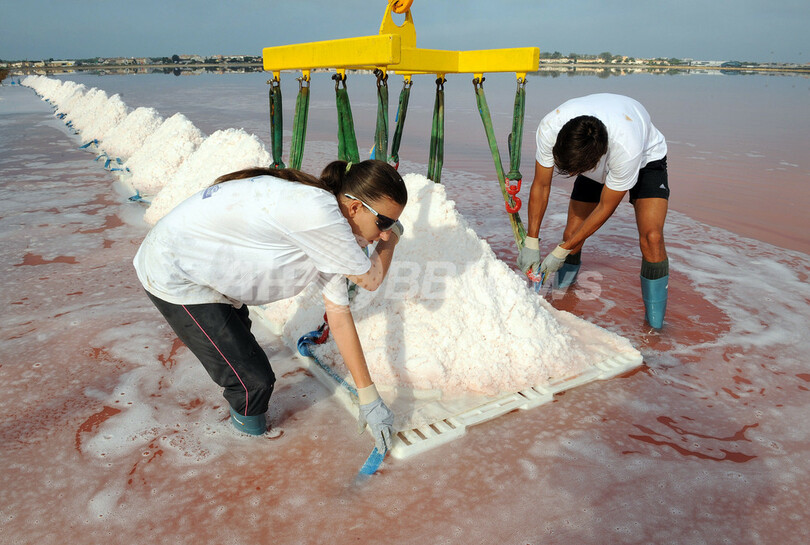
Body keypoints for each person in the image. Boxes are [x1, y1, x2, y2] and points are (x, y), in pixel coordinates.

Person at [133, 159, 407, 453]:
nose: (385, 234)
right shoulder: (320, 214)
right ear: (355, 208)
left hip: (206, 271)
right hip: (176, 274)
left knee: (242, 360)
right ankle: (244, 456)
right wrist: (394, 241)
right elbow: (370, 279)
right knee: (252, 383)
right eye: (385, 223)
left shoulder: (327, 225)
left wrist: (370, 399)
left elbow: (339, 317)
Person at [517, 93, 670, 328]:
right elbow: (541, 184)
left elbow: (605, 207)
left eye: (573, 171)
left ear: (593, 162)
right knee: (572, 235)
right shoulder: (550, 126)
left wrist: (561, 251)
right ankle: (560, 304)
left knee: (652, 238)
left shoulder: (626, 150)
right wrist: (532, 240)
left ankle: (655, 327)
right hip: (591, 152)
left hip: (646, 159)